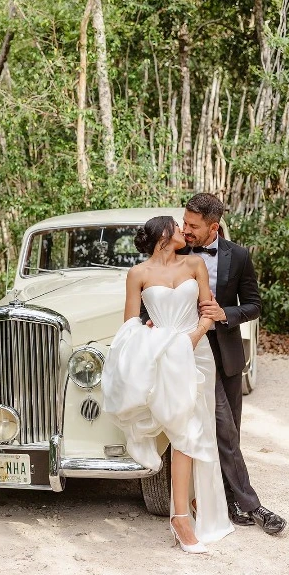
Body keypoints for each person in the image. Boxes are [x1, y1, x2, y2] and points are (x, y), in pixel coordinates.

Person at [102, 216, 235, 554]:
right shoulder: (139, 274)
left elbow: (207, 310)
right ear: (163, 234)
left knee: (195, 428)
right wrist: (152, 336)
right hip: (163, 353)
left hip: (196, 350)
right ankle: (179, 517)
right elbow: (130, 324)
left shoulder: (195, 263)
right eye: (177, 227)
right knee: (183, 428)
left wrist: (193, 336)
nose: (183, 231)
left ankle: (190, 504)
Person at [174, 193, 286, 535]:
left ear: (213, 226)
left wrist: (226, 314)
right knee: (218, 430)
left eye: (193, 226)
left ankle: (231, 500)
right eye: (185, 222)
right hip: (185, 355)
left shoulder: (238, 255)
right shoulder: (174, 250)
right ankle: (251, 505)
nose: (186, 230)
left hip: (225, 355)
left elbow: (253, 305)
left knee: (230, 432)